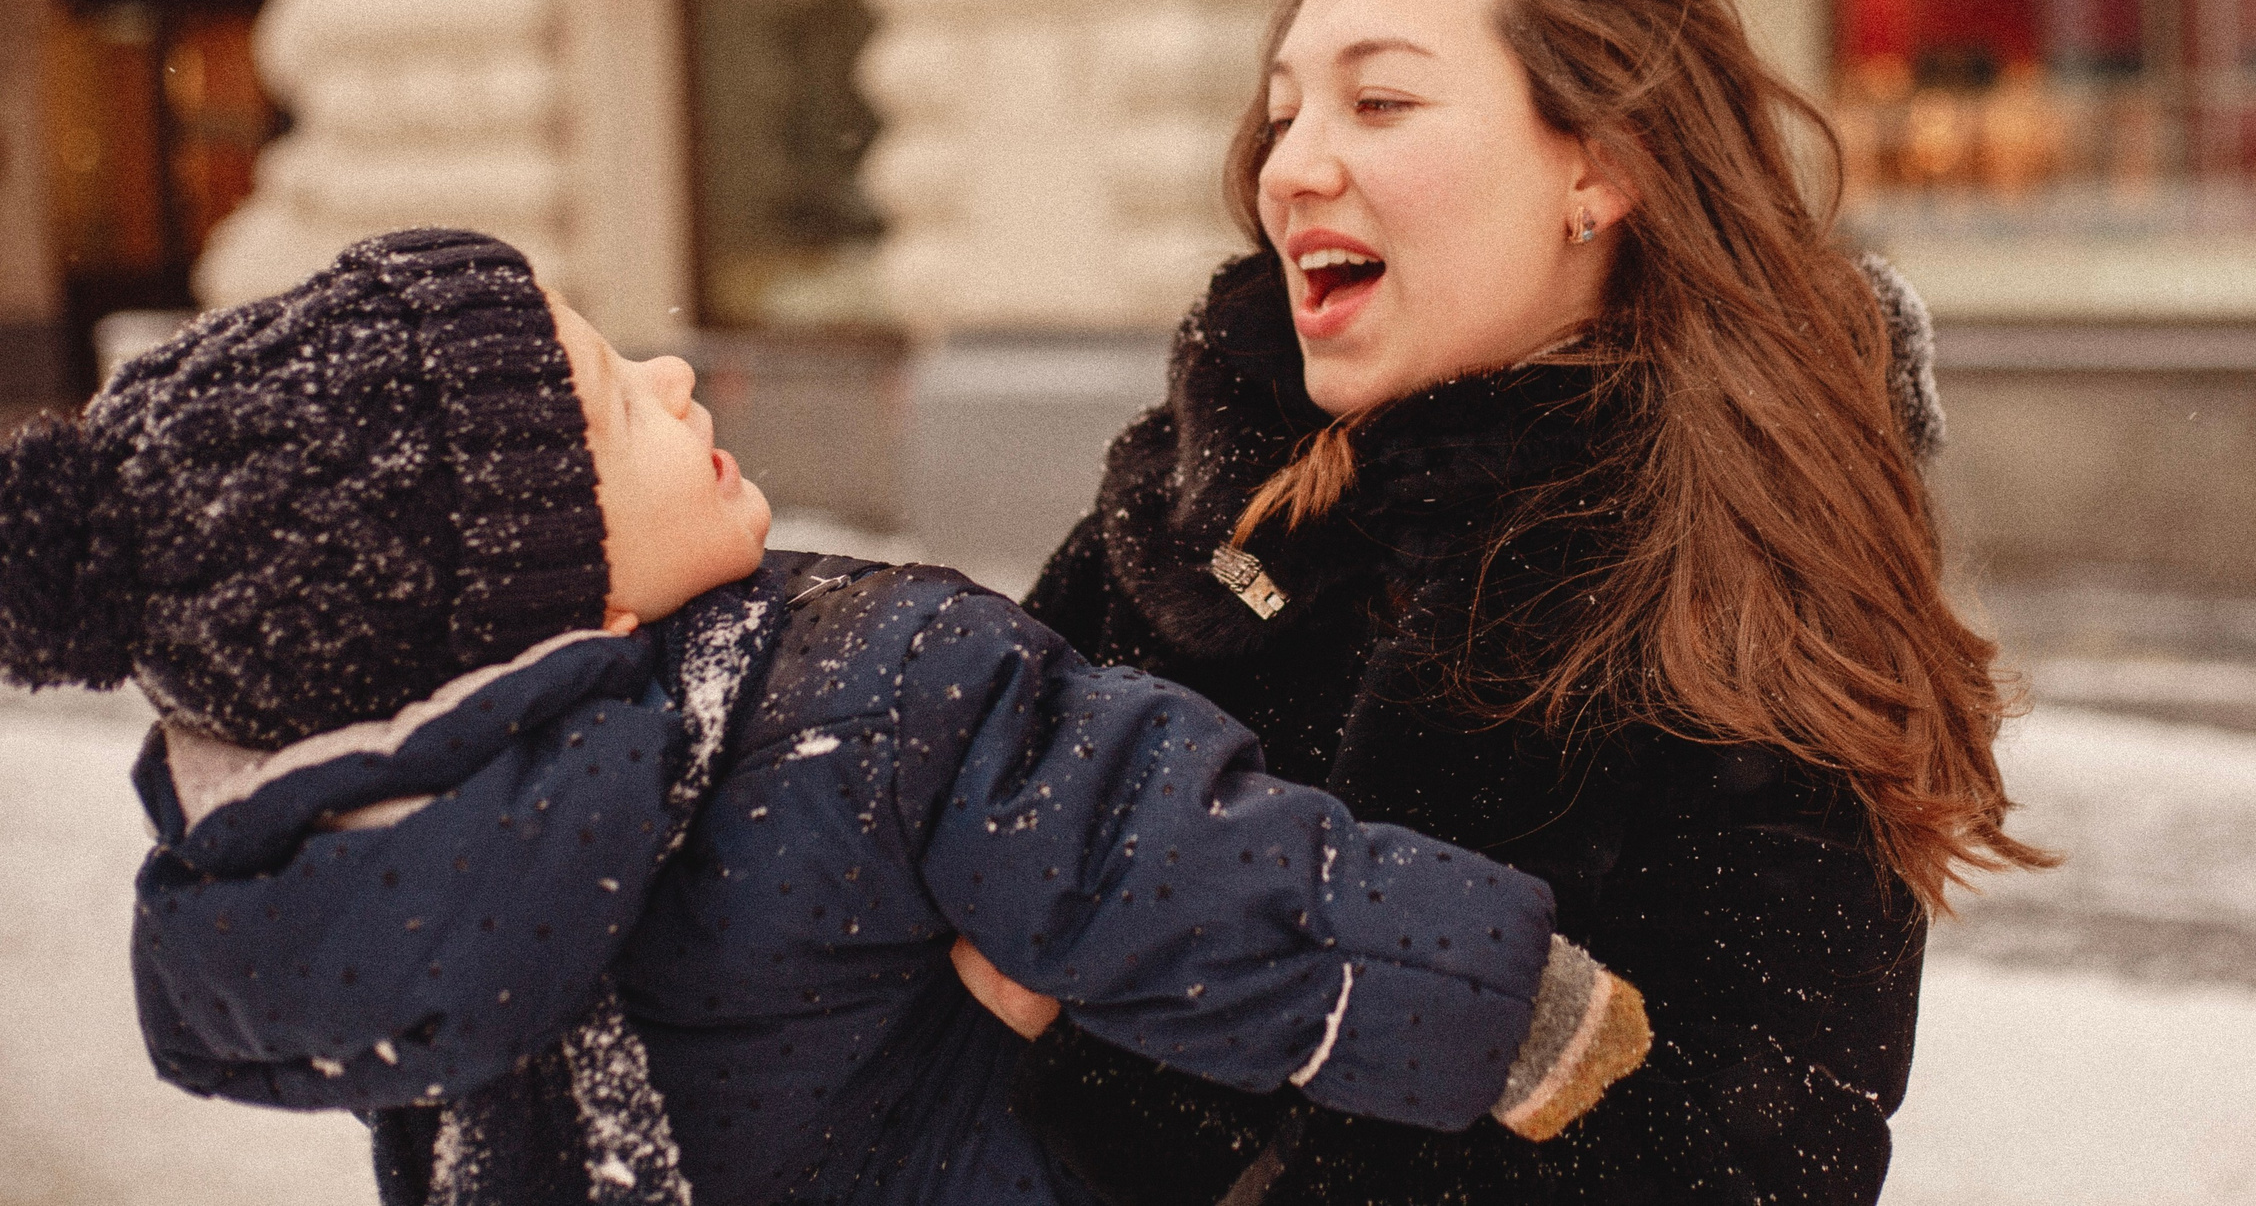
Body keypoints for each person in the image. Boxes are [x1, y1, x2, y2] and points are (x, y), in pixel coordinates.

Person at [0, 227, 1651, 1206]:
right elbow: (1171, 864)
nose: (674, 381)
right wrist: (1494, 998)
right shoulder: (859, 689)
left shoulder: (359, 900)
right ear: (523, 588)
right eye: (603, 408)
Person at [1010, 0, 2053, 1205]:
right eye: (1282, 115)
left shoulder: (1737, 579)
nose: (1292, 168)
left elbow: (1756, 1160)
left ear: (1600, 167)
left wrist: (1344, 977)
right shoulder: (1186, 518)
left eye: (1380, 101)